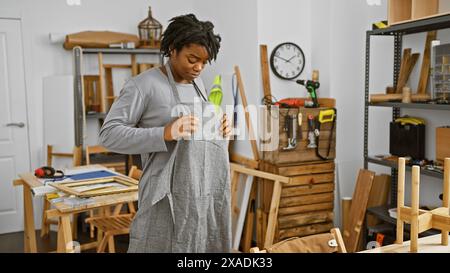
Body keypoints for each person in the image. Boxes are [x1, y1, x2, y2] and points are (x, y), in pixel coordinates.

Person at [99, 14, 232, 252]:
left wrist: (220, 127)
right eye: (192, 59)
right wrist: (164, 133)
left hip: (201, 196)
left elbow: (198, 135)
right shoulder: (143, 85)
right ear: (172, 49)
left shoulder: (198, 85)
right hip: (164, 198)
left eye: (204, 61)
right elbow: (109, 135)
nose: (198, 68)